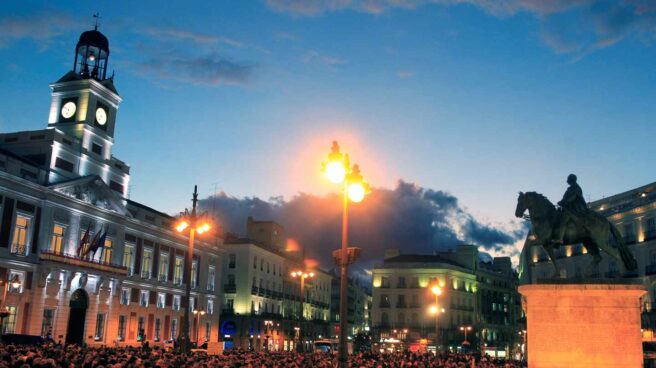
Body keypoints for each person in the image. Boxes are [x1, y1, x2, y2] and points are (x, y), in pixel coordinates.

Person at [552, 174, 587, 245]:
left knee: (563, 219)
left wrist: (564, 202)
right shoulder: (569, 189)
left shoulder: (576, 188)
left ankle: (560, 239)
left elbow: (572, 197)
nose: (567, 181)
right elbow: (564, 198)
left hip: (576, 208)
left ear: (572, 180)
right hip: (569, 207)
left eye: (568, 179)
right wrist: (561, 201)